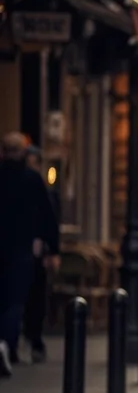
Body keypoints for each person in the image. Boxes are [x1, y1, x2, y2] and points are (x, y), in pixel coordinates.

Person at [0, 133, 59, 376]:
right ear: (23, 153)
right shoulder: (32, 179)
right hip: (22, 248)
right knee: (15, 300)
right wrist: (52, 248)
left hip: (6, 246)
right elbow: (48, 215)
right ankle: (8, 346)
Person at [21, 146, 61, 362]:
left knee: (36, 296)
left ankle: (34, 337)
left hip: (38, 252)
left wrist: (52, 250)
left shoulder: (45, 189)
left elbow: (50, 220)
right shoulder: (19, 184)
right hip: (20, 250)